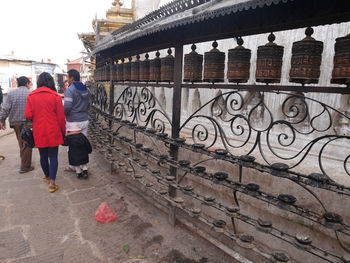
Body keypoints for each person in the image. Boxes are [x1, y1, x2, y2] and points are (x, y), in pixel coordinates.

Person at [25, 72, 65, 193]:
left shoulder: (31, 96)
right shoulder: (56, 96)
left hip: (39, 130)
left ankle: (47, 177)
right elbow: (61, 118)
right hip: (53, 130)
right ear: (51, 82)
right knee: (53, 156)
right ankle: (52, 182)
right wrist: (63, 132)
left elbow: (28, 115)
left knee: (43, 155)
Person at [0, 77, 34, 173]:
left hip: (15, 122)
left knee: (21, 141)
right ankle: (25, 166)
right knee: (27, 142)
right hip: (28, 122)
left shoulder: (11, 93)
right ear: (27, 83)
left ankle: (24, 160)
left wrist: (2, 120)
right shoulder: (30, 93)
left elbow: (5, 108)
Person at [64, 69, 91, 178]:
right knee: (83, 145)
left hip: (73, 122)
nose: (67, 80)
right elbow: (89, 105)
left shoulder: (70, 90)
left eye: (68, 77)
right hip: (84, 120)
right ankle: (85, 167)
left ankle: (75, 168)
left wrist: (66, 114)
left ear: (72, 78)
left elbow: (67, 106)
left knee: (73, 146)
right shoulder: (86, 89)